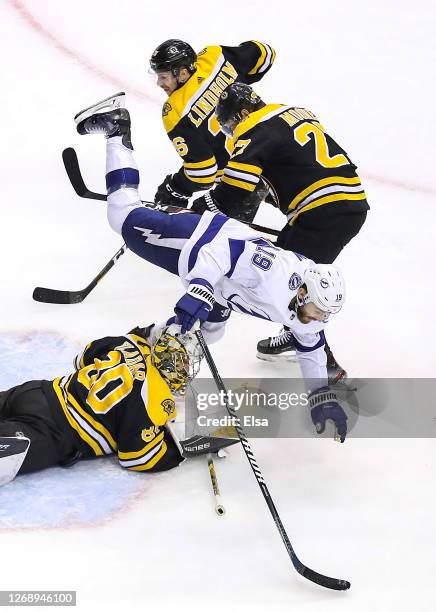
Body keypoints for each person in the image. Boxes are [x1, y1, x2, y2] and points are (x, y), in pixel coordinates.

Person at [74, 95, 349, 444]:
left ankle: (147, 343)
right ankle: (117, 130)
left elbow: (310, 349)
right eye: (319, 309)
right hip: (197, 243)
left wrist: (320, 397)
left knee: (208, 333)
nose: (320, 316)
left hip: (225, 285)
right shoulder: (275, 275)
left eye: (326, 312)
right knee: (121, 216)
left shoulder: (310, 311)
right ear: (303, 291)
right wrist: (200, 289)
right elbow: (223, 251)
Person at [191, 83, 370, 379]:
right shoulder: (291, 113)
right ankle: (292, 333)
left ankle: (326, 365)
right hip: (347, 203)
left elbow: (233, 192)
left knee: (292, 282)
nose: (231, 132)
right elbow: (297, 166)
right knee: (285, 254)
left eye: (229, 125)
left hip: (322, 212)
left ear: (243, 113)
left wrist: (202, 207)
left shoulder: (252, 129)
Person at [0, 322, 237, 486]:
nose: (187, 370)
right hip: (54, 431)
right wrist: (187, 445)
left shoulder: (133, 344)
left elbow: (83, 358)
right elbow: (139, 458)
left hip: (38, 391)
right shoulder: (157, 397)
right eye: (185, 364)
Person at [149, 39, 275, 207]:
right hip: (275, 148)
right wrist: (241, 79)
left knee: (202, 223)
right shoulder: (214, 57)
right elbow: (266, 54)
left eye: (163, 77)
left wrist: (176, 187)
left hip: (243, 179)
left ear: (183, 73)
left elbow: (203, 174)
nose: (159, 84)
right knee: (302, 202)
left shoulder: (175, 111)